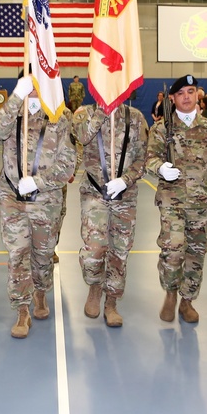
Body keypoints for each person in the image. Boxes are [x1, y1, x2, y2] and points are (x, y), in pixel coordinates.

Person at [0, 70, 76, 338]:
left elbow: (68, 165)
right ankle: (22, 309)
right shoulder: (12, 114)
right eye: (29, 83)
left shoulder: (61, 117)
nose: (34, 89)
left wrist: (39, 182)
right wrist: (17, 94)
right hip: (12, 197)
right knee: (18, 254)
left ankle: (40, 291)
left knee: (42, 254)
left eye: (37, 83)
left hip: (46, 199)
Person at [145, 74, 207, 323]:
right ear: (172, 98)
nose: (187, 97)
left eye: (191, 92)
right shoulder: (161, 129)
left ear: (197, 95)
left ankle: (187, 300)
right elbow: (149, 158)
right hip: (172, 201)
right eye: (181, 93)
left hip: (201, 202)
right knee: (172, 249)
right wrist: (160, 167)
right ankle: (170, 293)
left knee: (197, 252)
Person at [72, 99, 148, 327]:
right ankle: (95, 286)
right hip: (95, 192)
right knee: (94, 248)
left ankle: (111, 302)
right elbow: (82, 137)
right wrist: (101, 112)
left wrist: (125, 180)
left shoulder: (135, 117)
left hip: (125, 195)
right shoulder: (83, 113)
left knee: (120, 251)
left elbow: (143, 157)